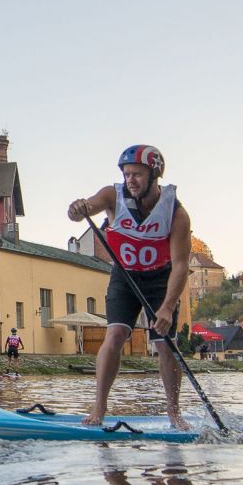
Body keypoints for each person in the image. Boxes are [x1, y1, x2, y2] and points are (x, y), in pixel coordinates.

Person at [68, 144, 192, 428]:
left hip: (161, 278)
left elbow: (181, 265)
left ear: (154, 175)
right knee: (115, 335)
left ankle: (174, 412)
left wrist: (167, 308)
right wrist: (78, 209)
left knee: (165, 344)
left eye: (137, 174)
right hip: (124, 276)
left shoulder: (176, 213)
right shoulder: (113, 195)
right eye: (126, 175)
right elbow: (89, 206)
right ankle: (99, 408)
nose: (130, 180)